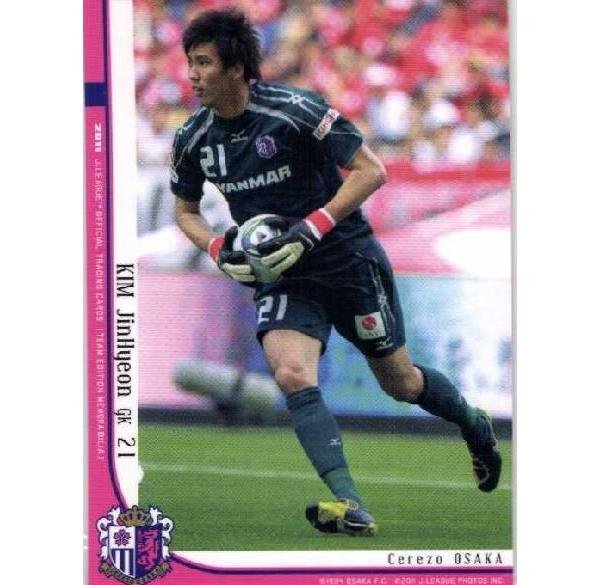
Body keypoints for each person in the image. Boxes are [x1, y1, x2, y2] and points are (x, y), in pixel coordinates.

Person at [171, 9, 501, 537]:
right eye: (190, 62)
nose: (192, 74)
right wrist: (214, 246)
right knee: (291, 373)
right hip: (282, 272)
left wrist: (312, 227)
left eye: (204, 62)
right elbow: (185, 211)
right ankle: (350, 504)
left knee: (401, 382)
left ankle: (471, 423)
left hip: (345, 258)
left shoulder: (295, 111)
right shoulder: (193, 138)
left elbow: (372, 170)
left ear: (235, 68)